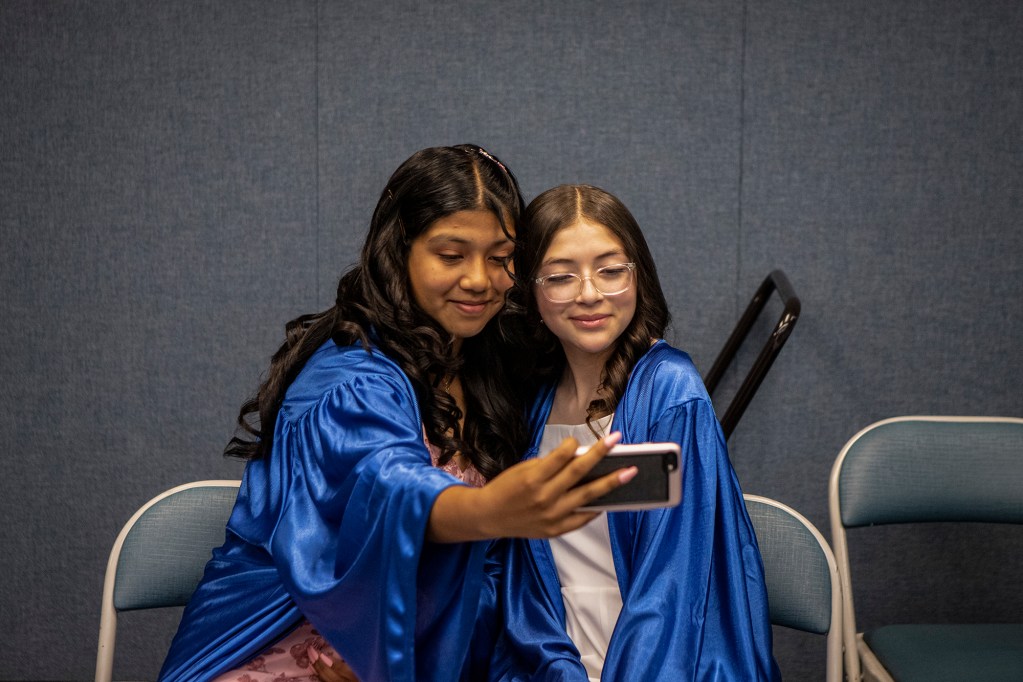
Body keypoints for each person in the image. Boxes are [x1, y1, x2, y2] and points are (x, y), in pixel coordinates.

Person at [158, 148, 634, 682]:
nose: (480, 279)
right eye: (451, 256)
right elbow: (387, 483)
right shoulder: (351, 375)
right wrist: (491, 510)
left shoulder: (485, 368)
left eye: (500, 257)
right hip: (275, 650)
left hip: (402, 656)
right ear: (398, 252)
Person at [473, 184, 781, 680]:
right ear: (530, 288)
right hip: (553, 664)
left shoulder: (670, 393)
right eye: (560, 276)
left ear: (640, 277)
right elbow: (522, 582)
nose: (590, 293)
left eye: (611, 270)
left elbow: (675, 587)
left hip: (656, 663)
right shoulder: (529, 401)